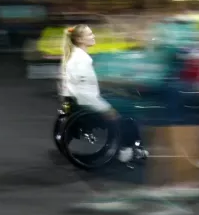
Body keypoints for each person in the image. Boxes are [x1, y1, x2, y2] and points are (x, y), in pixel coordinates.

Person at [59, 24, 143, 165]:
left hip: (80, 103)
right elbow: (84, 94)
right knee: (129, 108)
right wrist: (106, 109)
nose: (93, 36)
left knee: (120, 99)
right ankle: (127, 150)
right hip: (87, 105)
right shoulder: (81, 61)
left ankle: (129, 148)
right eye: (90, 34)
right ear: (80, 40)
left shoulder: (75, 57)